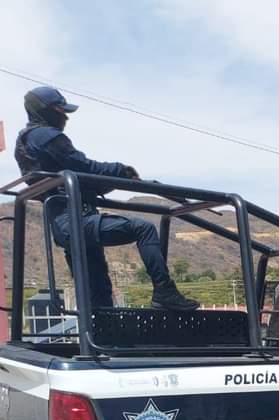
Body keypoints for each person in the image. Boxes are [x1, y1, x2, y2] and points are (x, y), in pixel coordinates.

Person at [13, 86, 198, 311]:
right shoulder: (45, 136)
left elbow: (78, 176)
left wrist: (111, 182)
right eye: (61, 111)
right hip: (75, 221)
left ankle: (102, 328)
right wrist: (120, 170)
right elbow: (83, 166)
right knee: (144, 229)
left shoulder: (27, 142)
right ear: (45, 110)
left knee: (99, 290)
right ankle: (164, 291)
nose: (66, 118)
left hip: (68, 223)